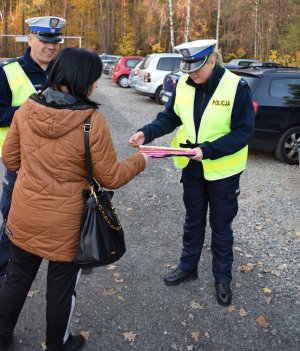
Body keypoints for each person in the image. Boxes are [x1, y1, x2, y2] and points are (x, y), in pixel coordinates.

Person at [0, 47, 148, 351]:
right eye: (94, 79)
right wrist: (141, 159)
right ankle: (59, 343)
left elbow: (10, 160)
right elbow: (111, 178)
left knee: (15, 279)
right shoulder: (91, 120)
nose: (96, 85)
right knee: (61, 289)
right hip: (67, 225)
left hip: (24, 213)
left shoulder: (26, 108)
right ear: (83, 80)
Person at [129, 39, 254, 306]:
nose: (192, 73)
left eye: (197, 67)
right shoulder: (184, 83)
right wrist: (147, 132)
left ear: (212, 61)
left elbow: (243, 133)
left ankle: (222, 278)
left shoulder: (236, 87)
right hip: (191, 166)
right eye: (189, 68)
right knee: (193, 220)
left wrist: (207, 150)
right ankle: (188, 267)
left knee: (221, 227)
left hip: (223, 171)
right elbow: (170, 117)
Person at [0, 16, 66, 288]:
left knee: (57, 218)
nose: (50, 47)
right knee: (12, 221)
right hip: (20, 164)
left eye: (55, 42)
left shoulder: (63, 71)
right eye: (44, 41)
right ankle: (5, 278)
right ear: (30, 39)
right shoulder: (8, 72)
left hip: (56, 163)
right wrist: (32, 111)